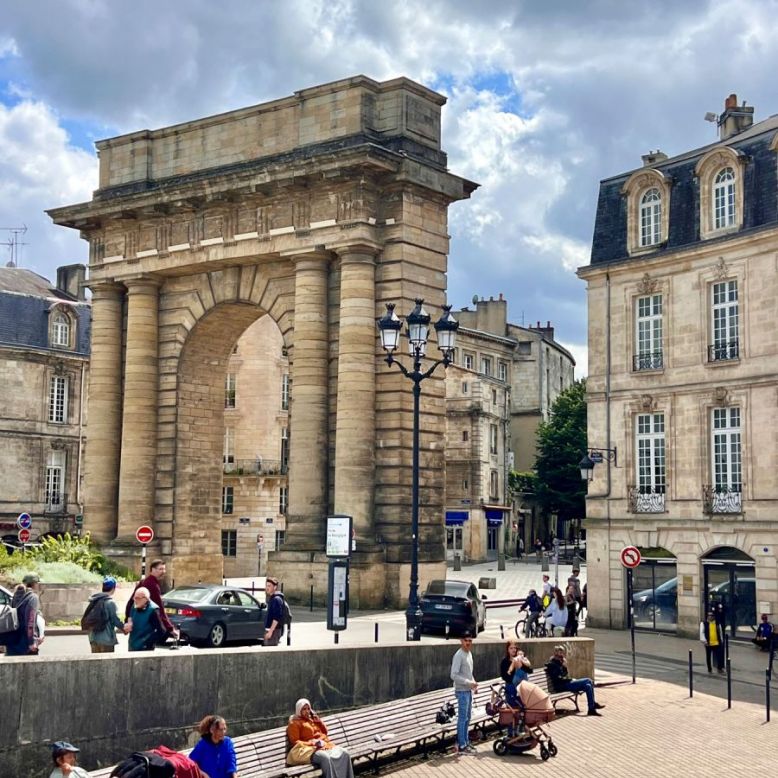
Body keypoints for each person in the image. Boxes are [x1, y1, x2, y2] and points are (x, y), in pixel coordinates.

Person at [286, 698, 354, 778]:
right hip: (307, 750)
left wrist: (319, 721)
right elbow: (294, 741)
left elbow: (325, 732)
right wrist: (312, 743)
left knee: (345, 753)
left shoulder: (312, 720)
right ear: (298, 710)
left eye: (308, 709)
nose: (307, 711)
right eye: (304, 709)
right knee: (325, 758)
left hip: (323, 745)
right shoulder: (294, 723)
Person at [125, 559, 179, 639]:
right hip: (145, 625)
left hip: (138, 622)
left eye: (164, 569)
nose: (163, 571)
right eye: (160, 569)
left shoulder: (144, 581)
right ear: (153, 569)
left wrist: (127, 620)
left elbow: (130, 603)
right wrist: (170, 628)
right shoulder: (152, 584)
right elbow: (160, 608)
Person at [545, 645, 604, 716]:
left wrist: (564, 667)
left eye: (562, 653)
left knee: (588, 686)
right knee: (588, 680)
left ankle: (591, 709)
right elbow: (558, 677)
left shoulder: (559, 663)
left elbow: (564, 675)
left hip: (566, 683)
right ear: (555, 654)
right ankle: (593, 705)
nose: (562, 656)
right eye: (560, 654)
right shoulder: (552, 664)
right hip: (561, 686)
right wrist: (562, 666)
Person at [450, 633, 478, 755]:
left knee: (467, 718)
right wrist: (468, 682)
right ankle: (461, 745)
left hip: (468, 690)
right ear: (461, 641)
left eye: (470, 641)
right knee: (462, 719)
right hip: (461, 691)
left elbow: (468, 673)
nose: (468, 643)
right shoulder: (459, 655)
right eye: (466, 640)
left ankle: (466, 742)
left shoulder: (469, 653)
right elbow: (453, 675)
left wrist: (474, 683)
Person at [87, 577, 128, 653]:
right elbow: (115, 620)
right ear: (113, 588)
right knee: (107, 664)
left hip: (93, 638)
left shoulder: (94, 600)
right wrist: (124, 629)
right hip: (106, 640)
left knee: (96, 664)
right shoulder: (110, 602)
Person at [6, 574, 43, 656]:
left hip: (12, 640)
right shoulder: (32, 598)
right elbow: (31, 621)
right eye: (37, 583)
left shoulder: (15, 596)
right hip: (25, 642)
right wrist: (31, 642)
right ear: (34, 584)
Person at [126, 587, 166, 652]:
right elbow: (130, 617)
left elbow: (162, 630)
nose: (135, 600)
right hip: (132, 645)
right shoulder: (135, 605)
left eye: (138, 598)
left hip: (145, 648)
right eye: (134, 598)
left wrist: (148, 643)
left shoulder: (153, 610)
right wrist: (128, 623)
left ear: (145, 599)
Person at [500, 640, 532, 708]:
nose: (513, 650)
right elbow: (504, 677)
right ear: (507, 649)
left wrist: (522, 666)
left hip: (522, 686)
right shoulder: (505, 661)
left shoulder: (520, 658)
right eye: (511, 648)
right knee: (511, 686)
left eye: (514, 648)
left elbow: (530, 670)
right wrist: (513, 670)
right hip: (511, 687)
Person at [264, 577, 285, 646]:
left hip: (274, 632)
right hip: (271, 631)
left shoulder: (276, 599)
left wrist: (270, 632)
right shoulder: (272, 598)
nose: (267, 588)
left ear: (275, 587)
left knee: (269, 654)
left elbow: (276, 618)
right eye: (266, 585)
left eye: (269, 586)